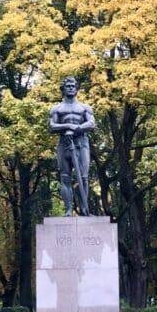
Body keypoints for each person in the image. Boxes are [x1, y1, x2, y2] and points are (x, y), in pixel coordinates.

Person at [49, 77, 95, 216]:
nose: (70, 88)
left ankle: (84, 209)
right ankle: (68, 210)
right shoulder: (56, 108)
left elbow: (91, 124)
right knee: (65, 177)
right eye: (67, 86)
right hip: (64, 144)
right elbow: (52, 126)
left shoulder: (84, 107)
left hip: (81, 143)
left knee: (84, 177)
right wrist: (68, 126)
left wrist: (77, 128)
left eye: (73, 86)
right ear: (62, 89)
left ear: (76, 88)